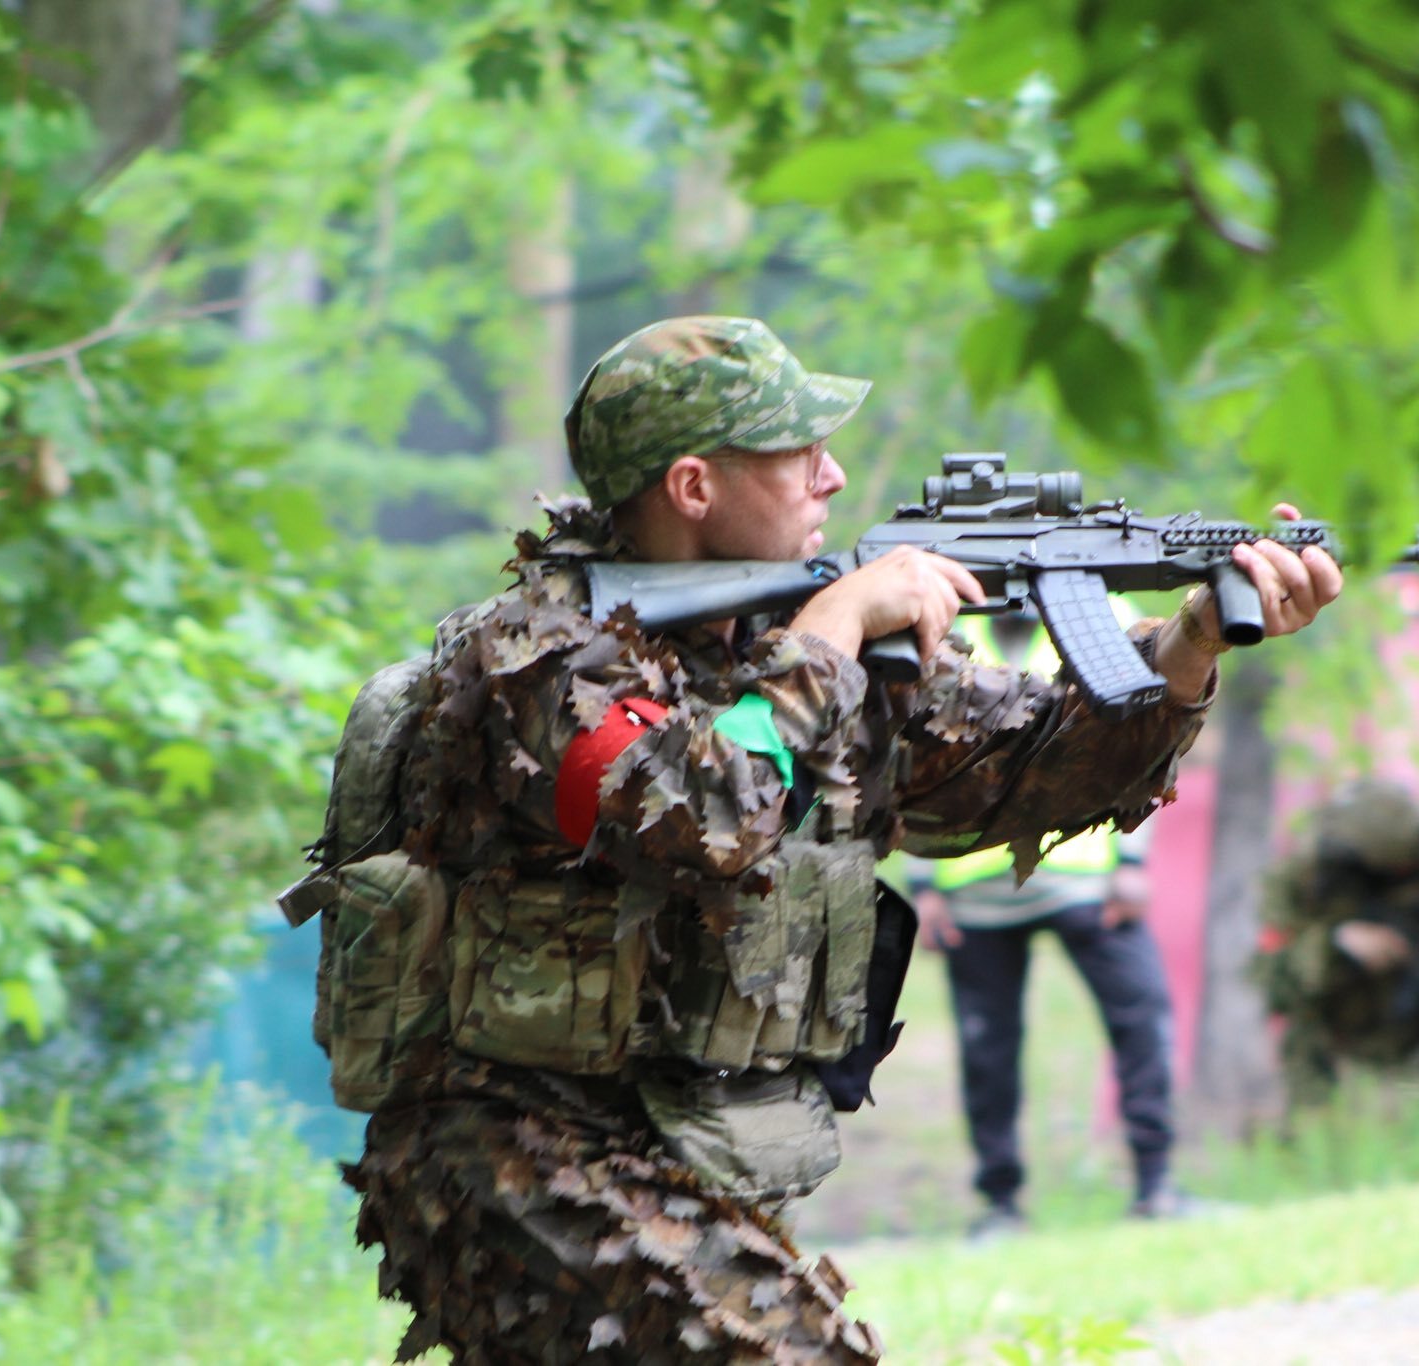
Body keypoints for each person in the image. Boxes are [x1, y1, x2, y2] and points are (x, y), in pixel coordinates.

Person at [309, 315, 1342, 1363]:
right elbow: (699, 813)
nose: (833, 476)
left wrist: (1187, 644)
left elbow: (1022, 768)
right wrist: (834, 630)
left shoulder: (789, 640)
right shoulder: (540, 659)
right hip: (508, 1157)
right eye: (798, 451)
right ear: (693, 486)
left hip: (686, 1152)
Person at [906, 609, 1187, 1234]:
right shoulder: (941, 620)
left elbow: (1151, 737)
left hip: (1085, 877)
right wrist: (923, 886)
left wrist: (1132, 860)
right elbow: (910, 760)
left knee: (1140, 1021)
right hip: (975, 885)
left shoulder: (1105, 611)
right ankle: (1000, 1205)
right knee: (988, 1052)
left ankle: (1158, 1186)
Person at [1253, 778, 1419, 1114]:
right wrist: (1336, 942)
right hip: (1335, 1032)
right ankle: (1312, 1125)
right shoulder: (1305, 876)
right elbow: (1271, 975)